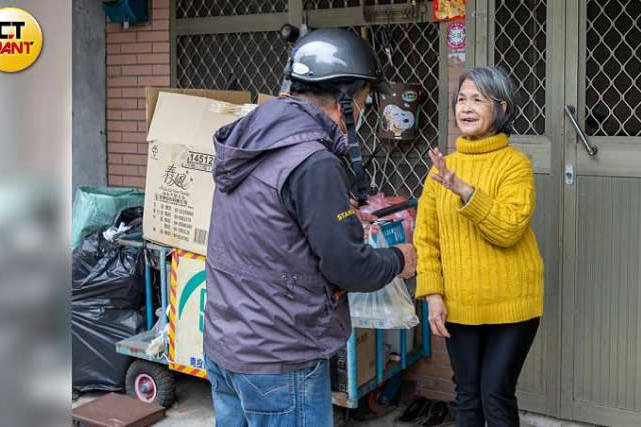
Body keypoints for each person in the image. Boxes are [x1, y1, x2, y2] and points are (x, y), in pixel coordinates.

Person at [202, 28, 417, 427]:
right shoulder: (313, 161)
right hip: (280, 358)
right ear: (345, 100)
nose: (366, 110)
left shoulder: (257, 137)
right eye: (367, 99)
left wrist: (340, 218)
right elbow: (350, 268)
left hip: (226, 345)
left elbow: (274, 228)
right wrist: (399, 259)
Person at [414, 66, 544, 427]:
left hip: (512, 307)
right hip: (459, 305)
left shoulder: (516, 165)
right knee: (467, 395)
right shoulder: (442, 168)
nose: (466, 107)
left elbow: (508, 229)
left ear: (500, 108)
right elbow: (426, 238)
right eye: (461, 99)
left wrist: (466, 192)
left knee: (496, 395)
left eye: (477, 99)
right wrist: (433, 294)